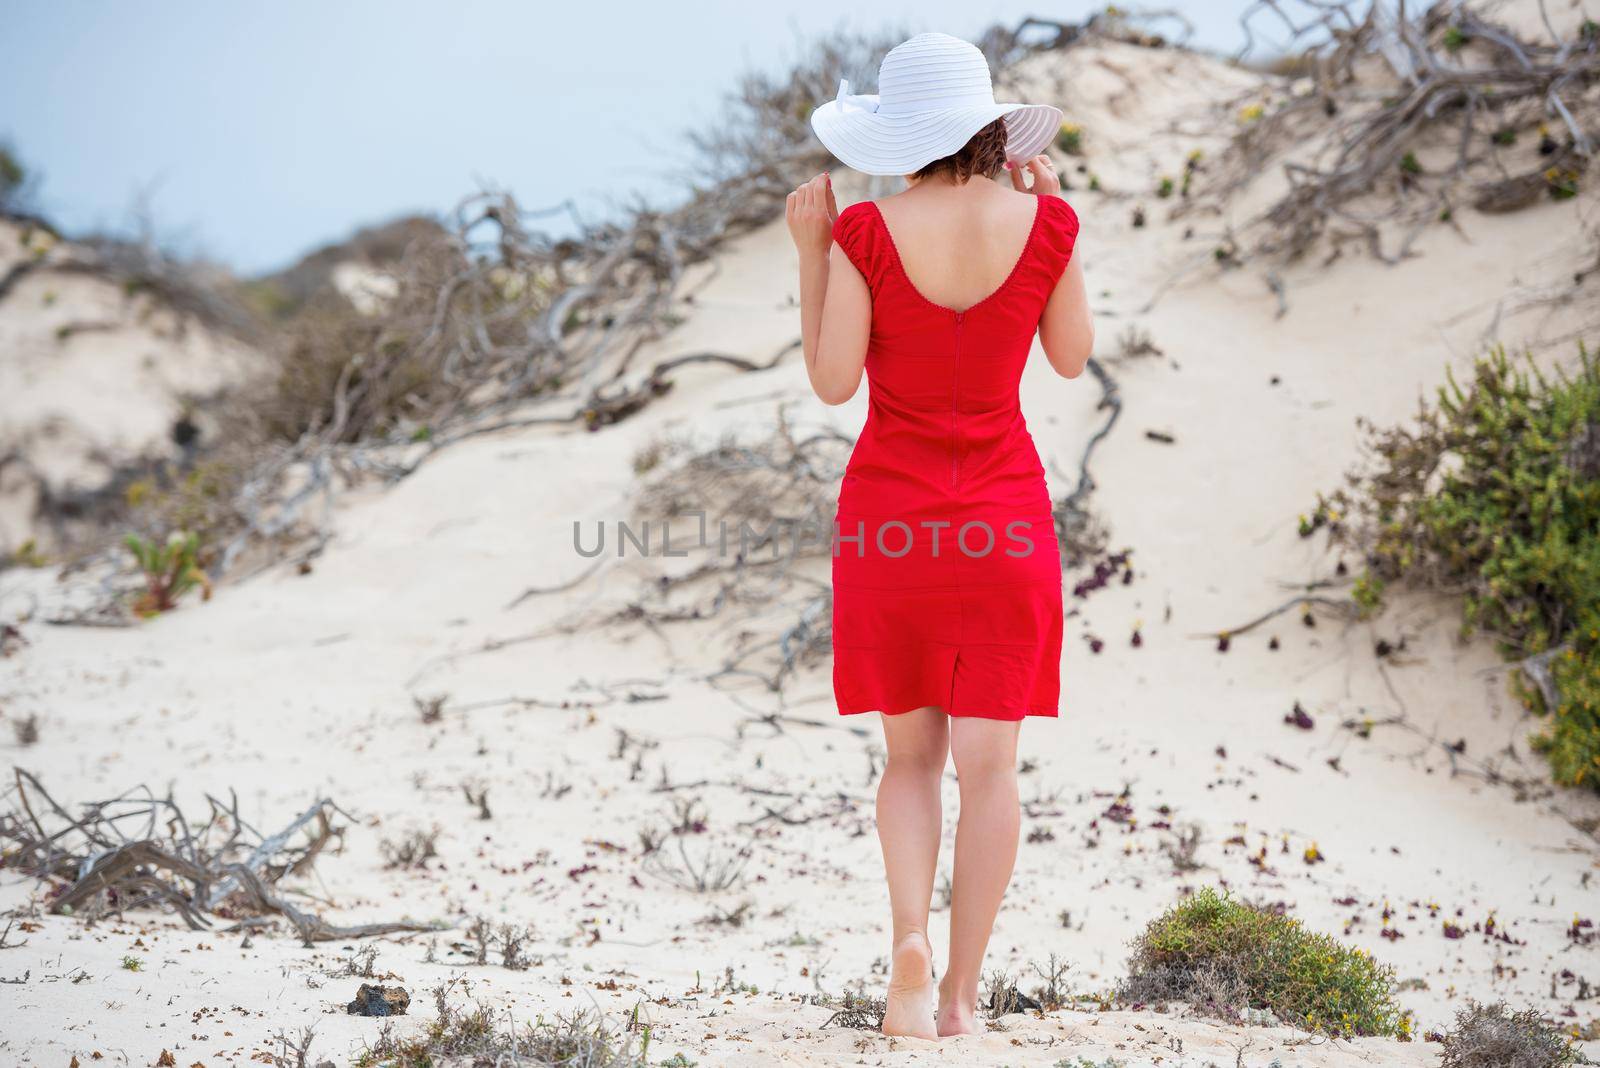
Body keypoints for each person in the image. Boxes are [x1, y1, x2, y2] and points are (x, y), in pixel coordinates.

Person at [784, 32, 1094, 1040]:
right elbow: (1070, 359)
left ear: (903, 136)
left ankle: (906, 939)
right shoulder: (1046, 222)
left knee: (909, 760)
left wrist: (811, 255)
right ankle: (959, 997)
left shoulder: (868, 233)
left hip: (892, 520)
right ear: (991, 129)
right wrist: (1055, 229)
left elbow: (832, 384)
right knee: (990, 770)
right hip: (1001, 516)